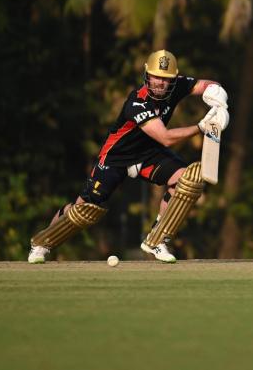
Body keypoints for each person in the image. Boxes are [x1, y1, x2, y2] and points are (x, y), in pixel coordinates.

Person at [27, 49, 229, 264]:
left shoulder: (176, 86)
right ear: (147, 75)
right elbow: (166, 138)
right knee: (84, 210)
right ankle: (42, 243)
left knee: (187, 180)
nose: (160, 83)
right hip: (116, 158)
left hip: (148, 154)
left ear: (174, 78)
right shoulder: (137, 102)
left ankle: (157, 240)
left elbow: (205, 85)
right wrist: (201, 127)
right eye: (156, 77)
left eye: (166, 79)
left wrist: (218, 98)